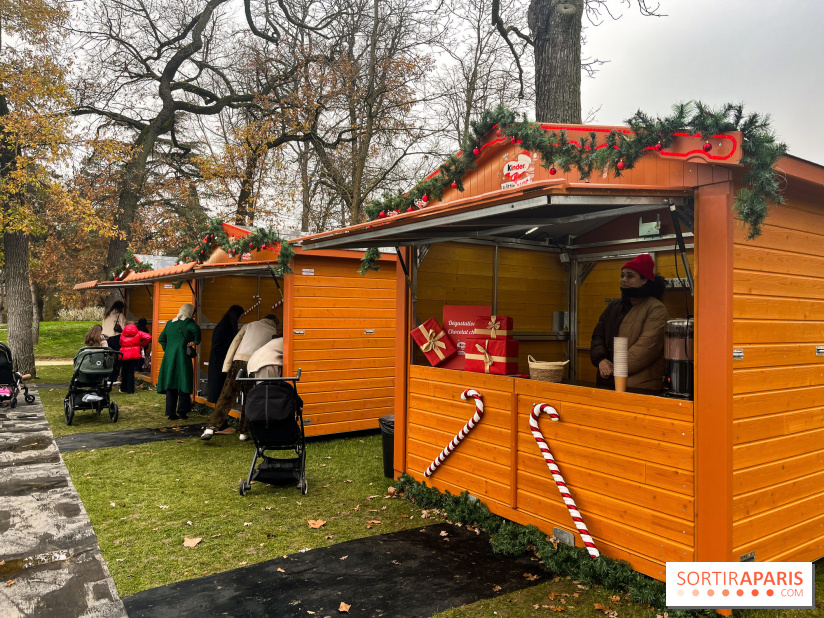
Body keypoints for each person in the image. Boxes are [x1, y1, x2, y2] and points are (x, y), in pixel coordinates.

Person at [590, 254, 668, 392]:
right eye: (622, 275)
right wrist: (601, 360)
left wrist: (614, 368)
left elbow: (646, 348)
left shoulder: (656, 309)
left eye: (630, 276)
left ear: (644, 280)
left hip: (639, 387)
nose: (624, 280)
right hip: (607, 382)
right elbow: (598, 336)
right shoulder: (613, 306)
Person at [201, 314, 280, 441]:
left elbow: (235, 343)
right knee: (250, 398)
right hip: (255, 364)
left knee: (226, 395)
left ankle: (210, 428)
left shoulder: (250, 325)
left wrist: (226, 366)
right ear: (274, 323)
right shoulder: (272, 331)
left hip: (239, 361)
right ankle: (244, 432)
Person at [157, 303, 201, 420]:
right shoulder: (189, 323)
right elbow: (197, 332)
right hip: (183, 357)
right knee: (184, 383)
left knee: (171, 384)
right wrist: (194, 342)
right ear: (190, 312)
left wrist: (169, 349)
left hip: (169, 358)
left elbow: (161, 338)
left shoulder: (170, 323)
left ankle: (171, 413)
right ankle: (182, 411)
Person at [207, 305, 245, 404]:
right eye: (241, 317)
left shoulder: (226, 325)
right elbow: (218, 346)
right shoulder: (224, 327)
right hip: (220, 362)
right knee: (220, 389)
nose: (241, 320)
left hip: (222, 361)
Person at [119, 322, 152, 394]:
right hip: (135, 354)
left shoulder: (123, 333)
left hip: (124, 354)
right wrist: (141, 345)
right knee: (131, 371)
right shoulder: (139, 333)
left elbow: (120, 342)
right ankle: (130, 389)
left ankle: (123, 388)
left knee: (124, 371)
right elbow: (148, 337)